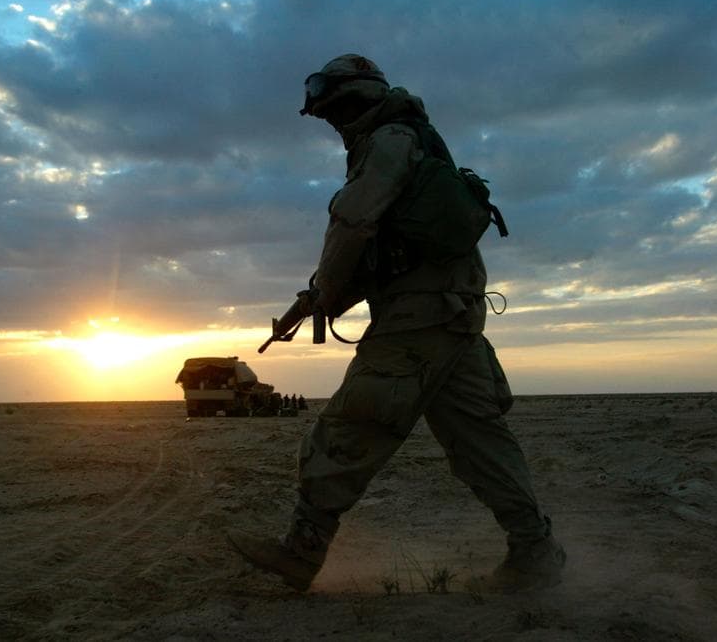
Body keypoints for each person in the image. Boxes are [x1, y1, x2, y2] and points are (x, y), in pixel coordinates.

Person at [228, 54, 565, 593]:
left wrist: (326, 291)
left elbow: (353, 221)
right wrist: (328, 297)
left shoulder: (388, 141)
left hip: (417, 323)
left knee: (349, 425)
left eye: (335, 112)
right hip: (454, 320)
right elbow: (392, 252)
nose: (334, 124)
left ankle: (302, 550)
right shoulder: (416, 141)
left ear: (352, 102)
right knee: (481, 443)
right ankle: (536, 551)